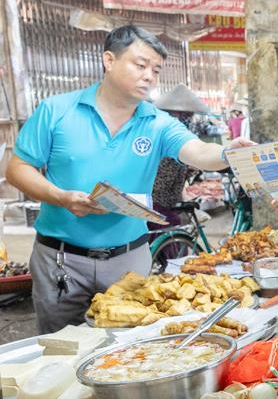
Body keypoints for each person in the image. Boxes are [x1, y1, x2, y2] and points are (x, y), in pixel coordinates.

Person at [7, 26, 254, 333]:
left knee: (130, 354)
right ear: (109, 60)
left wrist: (227, 152)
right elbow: (17, 168)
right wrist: (61, 197)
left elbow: (199, 151)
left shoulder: (157, 122)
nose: (150, 76)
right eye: (140, 65)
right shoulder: (56, 111)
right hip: (61, 260)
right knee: (60, 350)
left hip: (129, 261)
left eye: (156, 69)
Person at [150, 84, 210, 227]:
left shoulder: (174, 136)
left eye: (189, 116)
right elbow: (162, 182)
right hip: (156, 205)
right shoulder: (166, 137)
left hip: (164, 203)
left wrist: (187, 171)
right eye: (186, 115)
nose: (188, 119)